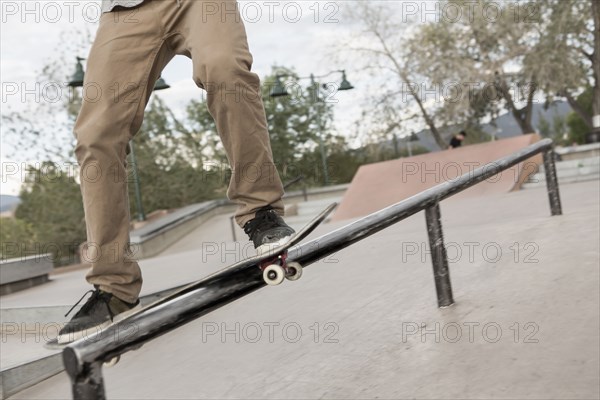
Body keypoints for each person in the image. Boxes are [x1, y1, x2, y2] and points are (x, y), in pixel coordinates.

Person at [58, 0, 295, 344]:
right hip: (125, 12)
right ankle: (113, 286)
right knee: (96, 135)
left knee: (225, 69)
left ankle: (261, 211)